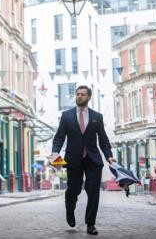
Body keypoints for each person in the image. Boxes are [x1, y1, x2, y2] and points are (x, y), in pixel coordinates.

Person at [50, 85, 114, 236]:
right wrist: (54, 153)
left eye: (82, 94)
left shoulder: (97, 117)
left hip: (93, 159)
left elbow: (103, 139)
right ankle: (70, 209)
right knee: (74, 189)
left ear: (89, 97)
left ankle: (90, 224)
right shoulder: (66, 116)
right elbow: (59, 137)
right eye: (78, 94)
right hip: (73, 159)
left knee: (93, 191)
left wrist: (109, 155)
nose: (79, 96)